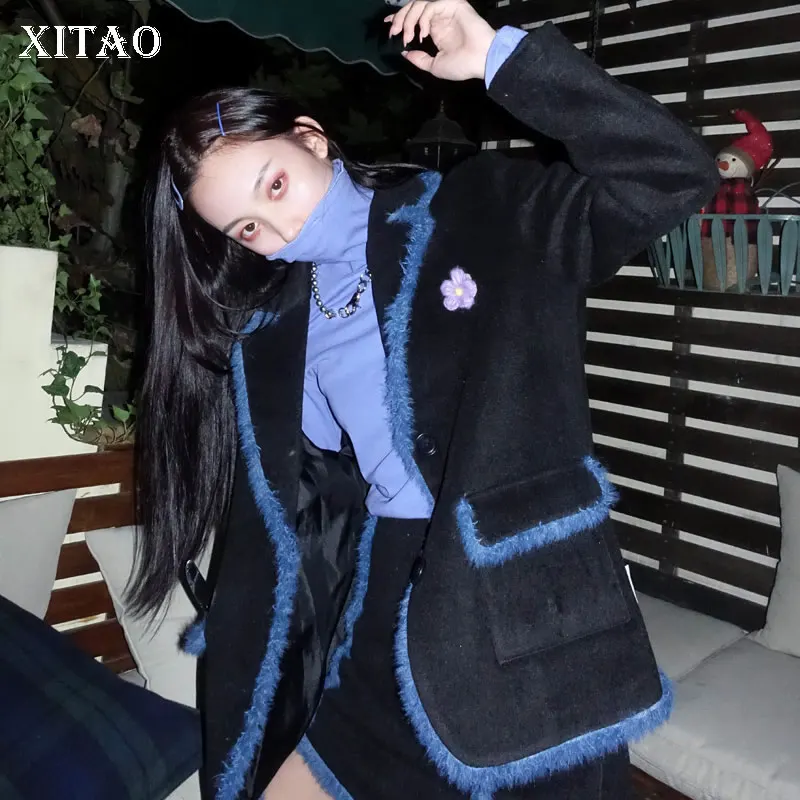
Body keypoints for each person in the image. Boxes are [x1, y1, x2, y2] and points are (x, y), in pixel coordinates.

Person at [131, 1, 719, 798]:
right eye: (247, 229)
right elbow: (299, 513)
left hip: (523, 605)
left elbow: (672, 174)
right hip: (388, 602)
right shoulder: (276, 331)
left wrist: (501, 60)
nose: (281, 228)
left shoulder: (476, 214)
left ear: (311, 138)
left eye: (276, 184)